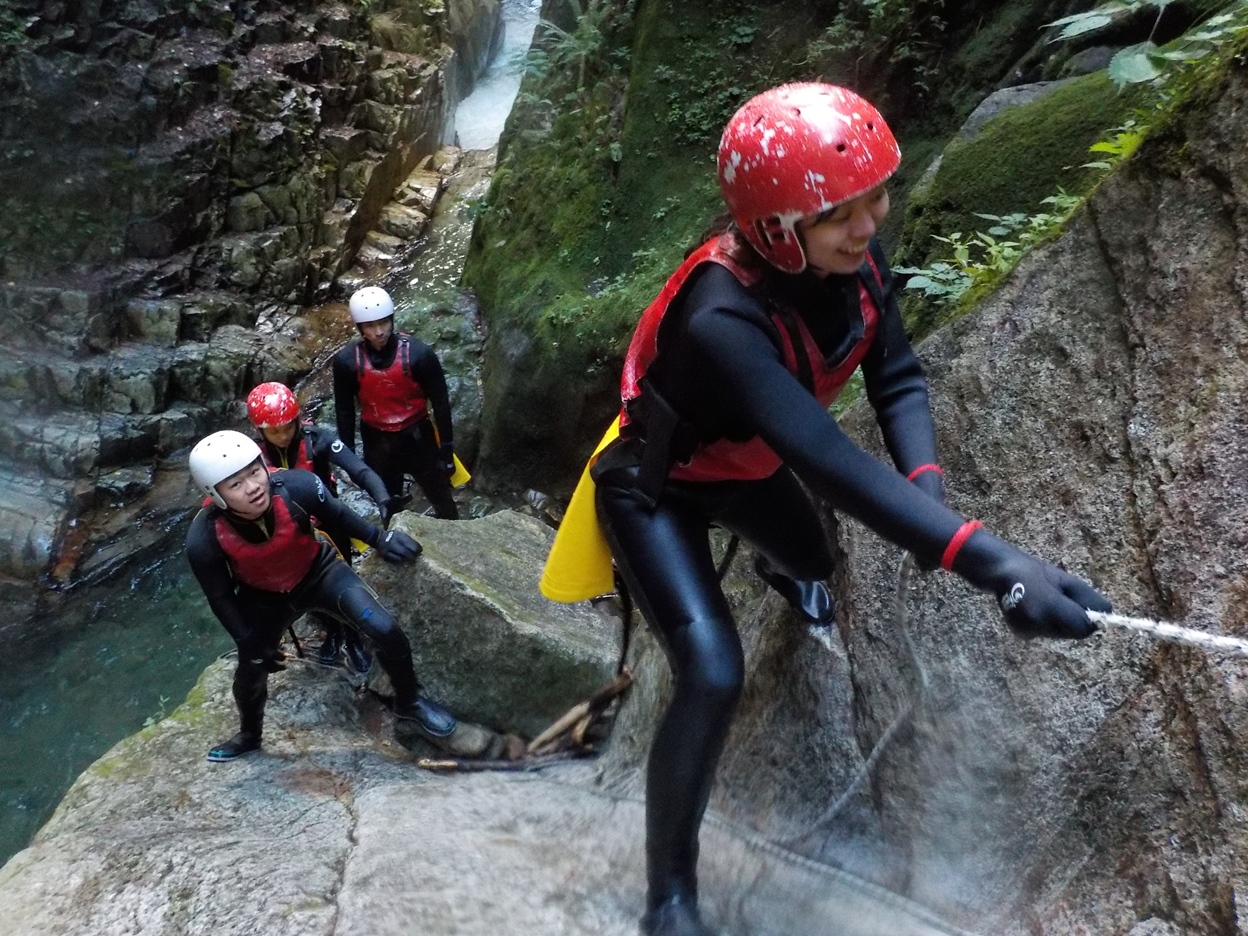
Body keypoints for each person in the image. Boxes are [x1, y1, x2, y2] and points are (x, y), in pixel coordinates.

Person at [580, 83, 1112, 936]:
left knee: (815, 562)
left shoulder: (850, 262)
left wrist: (925, 493)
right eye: (838, 215)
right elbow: (825, 459)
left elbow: (894, 376)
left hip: (739, 469)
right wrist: (996, 563)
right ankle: (669, 900)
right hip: (656, 490)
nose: (867, 226)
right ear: (775, 231)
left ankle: (775, 566)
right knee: (713, 671)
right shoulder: (721, 316)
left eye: (875, 199)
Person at [185, 429, 457, 763]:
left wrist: (379, 539)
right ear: (215, 494)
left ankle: (409, 702)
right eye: (236, 484)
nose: (253, 487)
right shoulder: (204, 538)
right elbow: (220, 596)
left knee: (385, 628)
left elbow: (338, 515)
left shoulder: (297, 486)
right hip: (263, 599)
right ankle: (250, 735)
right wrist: (248, 641)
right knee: (250, 673)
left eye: (255, 472)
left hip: (320, 573)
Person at [247, 380, 399, 672]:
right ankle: (333, 629)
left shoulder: (317, 440)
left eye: (288, 427)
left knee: (343, 580)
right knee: (303, 586)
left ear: (297, 420)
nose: (283, 436)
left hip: (330, 523)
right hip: (287, 534)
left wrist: (382, 496)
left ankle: (351, 634)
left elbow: (359, 470)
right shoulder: (251, 458)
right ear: (260, 430)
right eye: (274, 431)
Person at [332, 286, 460, 520]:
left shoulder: (419, 355)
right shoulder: (346, 362)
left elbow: (441, 403)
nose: (379, 332)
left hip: (418, 438)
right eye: (370, 326)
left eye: (383, 323)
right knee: (388, 505)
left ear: (392, 319)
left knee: (441, 497)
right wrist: (349, 458)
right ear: (360, 328)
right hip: (377, 443)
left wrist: (447, 451)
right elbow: (344, 410)